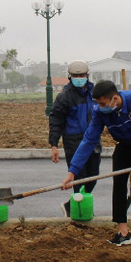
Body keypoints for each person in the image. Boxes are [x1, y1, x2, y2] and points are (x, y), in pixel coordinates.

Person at [61, 80, 131, 247]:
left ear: (115, 98)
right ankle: (123, 232)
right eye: (98, 104)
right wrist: (72, 171)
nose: (100, 107)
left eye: (103, 103)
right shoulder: (100, 112)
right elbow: (89, 140)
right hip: (125, 143)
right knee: (119, 182)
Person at [49, 60, 100, 216]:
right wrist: (54, 145)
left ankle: (70, 206)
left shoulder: (95, 94)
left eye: (82, 75)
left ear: (87, 75)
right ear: (70, 77)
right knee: (79, 179)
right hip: (73, 141)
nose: (79, 78)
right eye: (76, 75)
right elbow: (56, 120)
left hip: (93, 140)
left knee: (92, 177)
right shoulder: (64, 97)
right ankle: (79, 214)